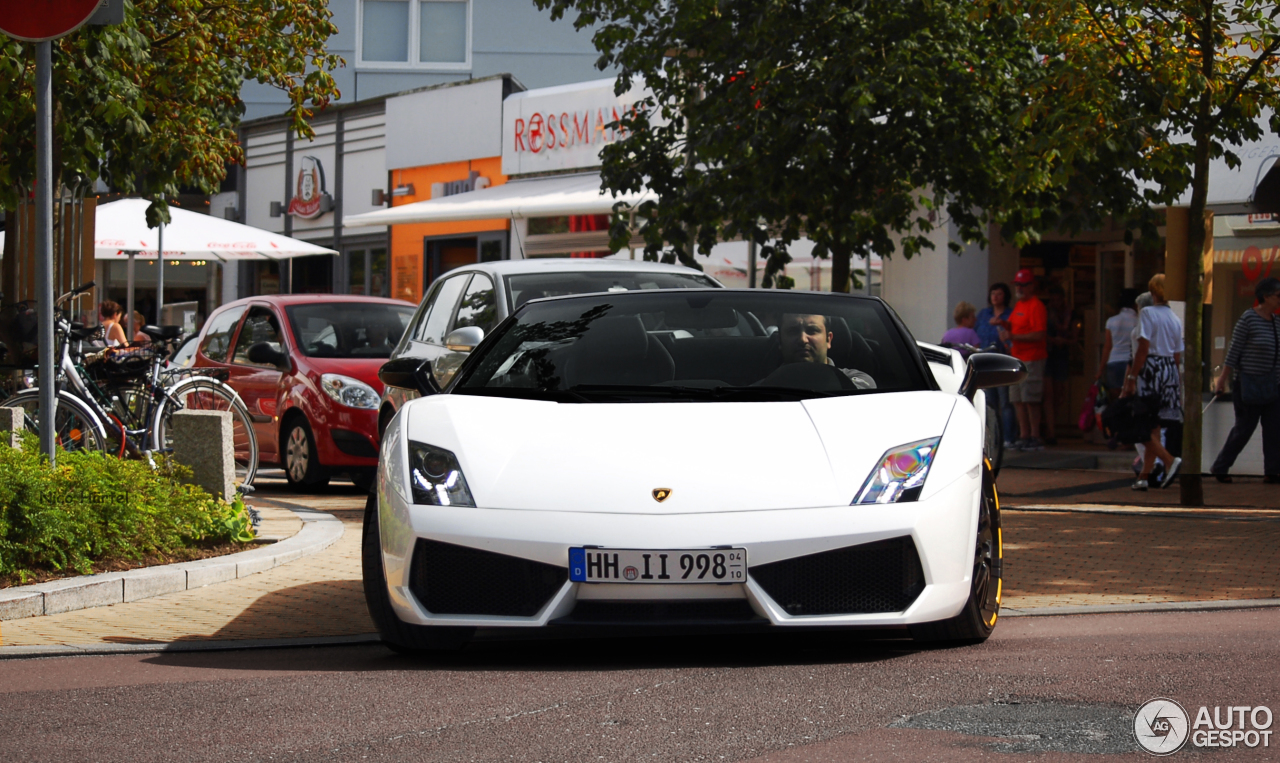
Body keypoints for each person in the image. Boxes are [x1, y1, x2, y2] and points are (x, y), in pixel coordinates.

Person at [1211, 276, 1280, 483]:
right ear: (1266, 297)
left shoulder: (1277, 322)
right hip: (1249, 385)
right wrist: (1222, 379)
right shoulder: (1249, 318)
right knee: (1244, 429)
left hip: (1273, 386)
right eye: (1278, 296)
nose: (1279, 300)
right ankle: (1221, 467)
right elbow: (1234, 352)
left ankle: (1272, 471)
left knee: (1274, 430)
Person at [1121, 274, 1183, 490]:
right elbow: (1177, 356)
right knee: (1155, 426)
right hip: (1169, 372)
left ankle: (1168, 460)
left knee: (1143, 426)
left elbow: (1143, 349)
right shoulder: (1175, 318)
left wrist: (1131, 377)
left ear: (1153, 292)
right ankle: (1144, 477)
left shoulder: (1147, 313)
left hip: (1152, 371)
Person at [998, 269, 1048, 451]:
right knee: (1017, 399)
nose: (1019, 288)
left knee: (1031, 398)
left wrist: (1014, 336)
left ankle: (1035, 435)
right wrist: (1002, 325)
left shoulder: (1036, 306)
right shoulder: (1020, 305)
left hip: (1032, 358)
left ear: (1031, 286)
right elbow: (1012, 325)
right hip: (1017, 358)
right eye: (1017, 284)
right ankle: (1024, 434)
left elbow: (1039, 334)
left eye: (1022, 284)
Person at [779, 313, 876, 389]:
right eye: (793, 331)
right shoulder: (765, 387)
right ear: (779, 340)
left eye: (812, 330)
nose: (803, 339)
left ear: (828, 340)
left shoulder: (857, 382)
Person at [976, 282, 1016, 447]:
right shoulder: (984, 314)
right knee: (989, 402)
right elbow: (977, 332)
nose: (995, 297)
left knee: (1006, 401)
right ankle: (991, 438)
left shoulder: (1010, 314)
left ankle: (1008, 438)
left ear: (1005, 296)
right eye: (993, 293)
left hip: (1004, 358)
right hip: (986, 359)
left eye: (999, 294)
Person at [1042, 285, 1077, 445]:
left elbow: (1075, 338)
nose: (1055, 303)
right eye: (1053, 300)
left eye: (1058, 299)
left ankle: (1052, 424)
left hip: (1062, 355)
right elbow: (1042, 333)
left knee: (1059, 394)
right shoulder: (1046, 313)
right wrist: (1052, 340)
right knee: (1048, 394)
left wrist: (1065, 341)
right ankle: (1051, 431)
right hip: (1047, 354)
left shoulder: (1070, 314)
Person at [1097, 289, 1139, 396]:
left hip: (1114, 362)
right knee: (1130, 396)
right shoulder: (1138, 321)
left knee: (1115, 397)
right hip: (1131, 363)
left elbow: (1107, 346)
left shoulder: (1111, 321)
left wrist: (1100, 370)